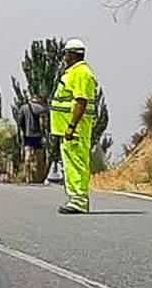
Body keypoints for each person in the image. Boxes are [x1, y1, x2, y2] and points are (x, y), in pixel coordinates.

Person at [49, 38, 99, 214]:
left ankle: (78, 199)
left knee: (77, 163)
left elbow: (80, 101)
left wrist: (71, 125)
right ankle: (76, 198)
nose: (64, 58)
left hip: (75, 129)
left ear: (71, 55)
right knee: (72, 163)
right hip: (69, 129)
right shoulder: (75, 72)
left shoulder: (80, 73)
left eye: (66, 54)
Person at [16, 94, 48, 183]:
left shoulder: (23, 108)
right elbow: (44, 124)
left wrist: (23, 131)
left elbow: (19, 122)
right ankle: (39, 178)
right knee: (40, 158)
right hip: (38, 136)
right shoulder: (42, 109)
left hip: (27, 136)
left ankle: (28, 178)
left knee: (27, 156)